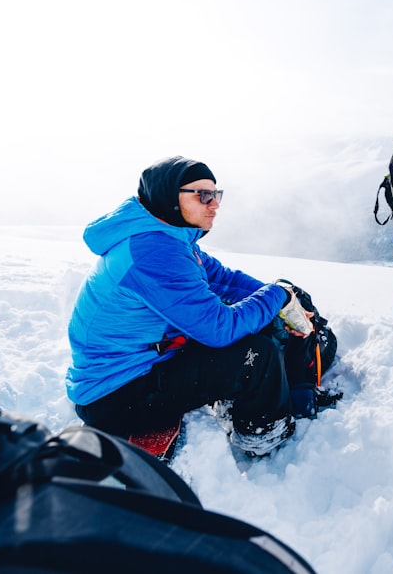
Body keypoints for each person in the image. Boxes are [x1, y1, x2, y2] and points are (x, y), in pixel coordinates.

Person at [66, 155, 324, 456]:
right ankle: (264, 437)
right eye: (203, 195)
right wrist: (276, 296)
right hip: (118, 395)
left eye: (216, 194)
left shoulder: (170, 237)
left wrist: (284, 297)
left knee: (262, 315)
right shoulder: (155, 253)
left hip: (142, 367)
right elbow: (220, 329)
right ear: (170, 198)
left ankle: (272, 393)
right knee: (256, 354)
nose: (214, 204)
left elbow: (222, 279)